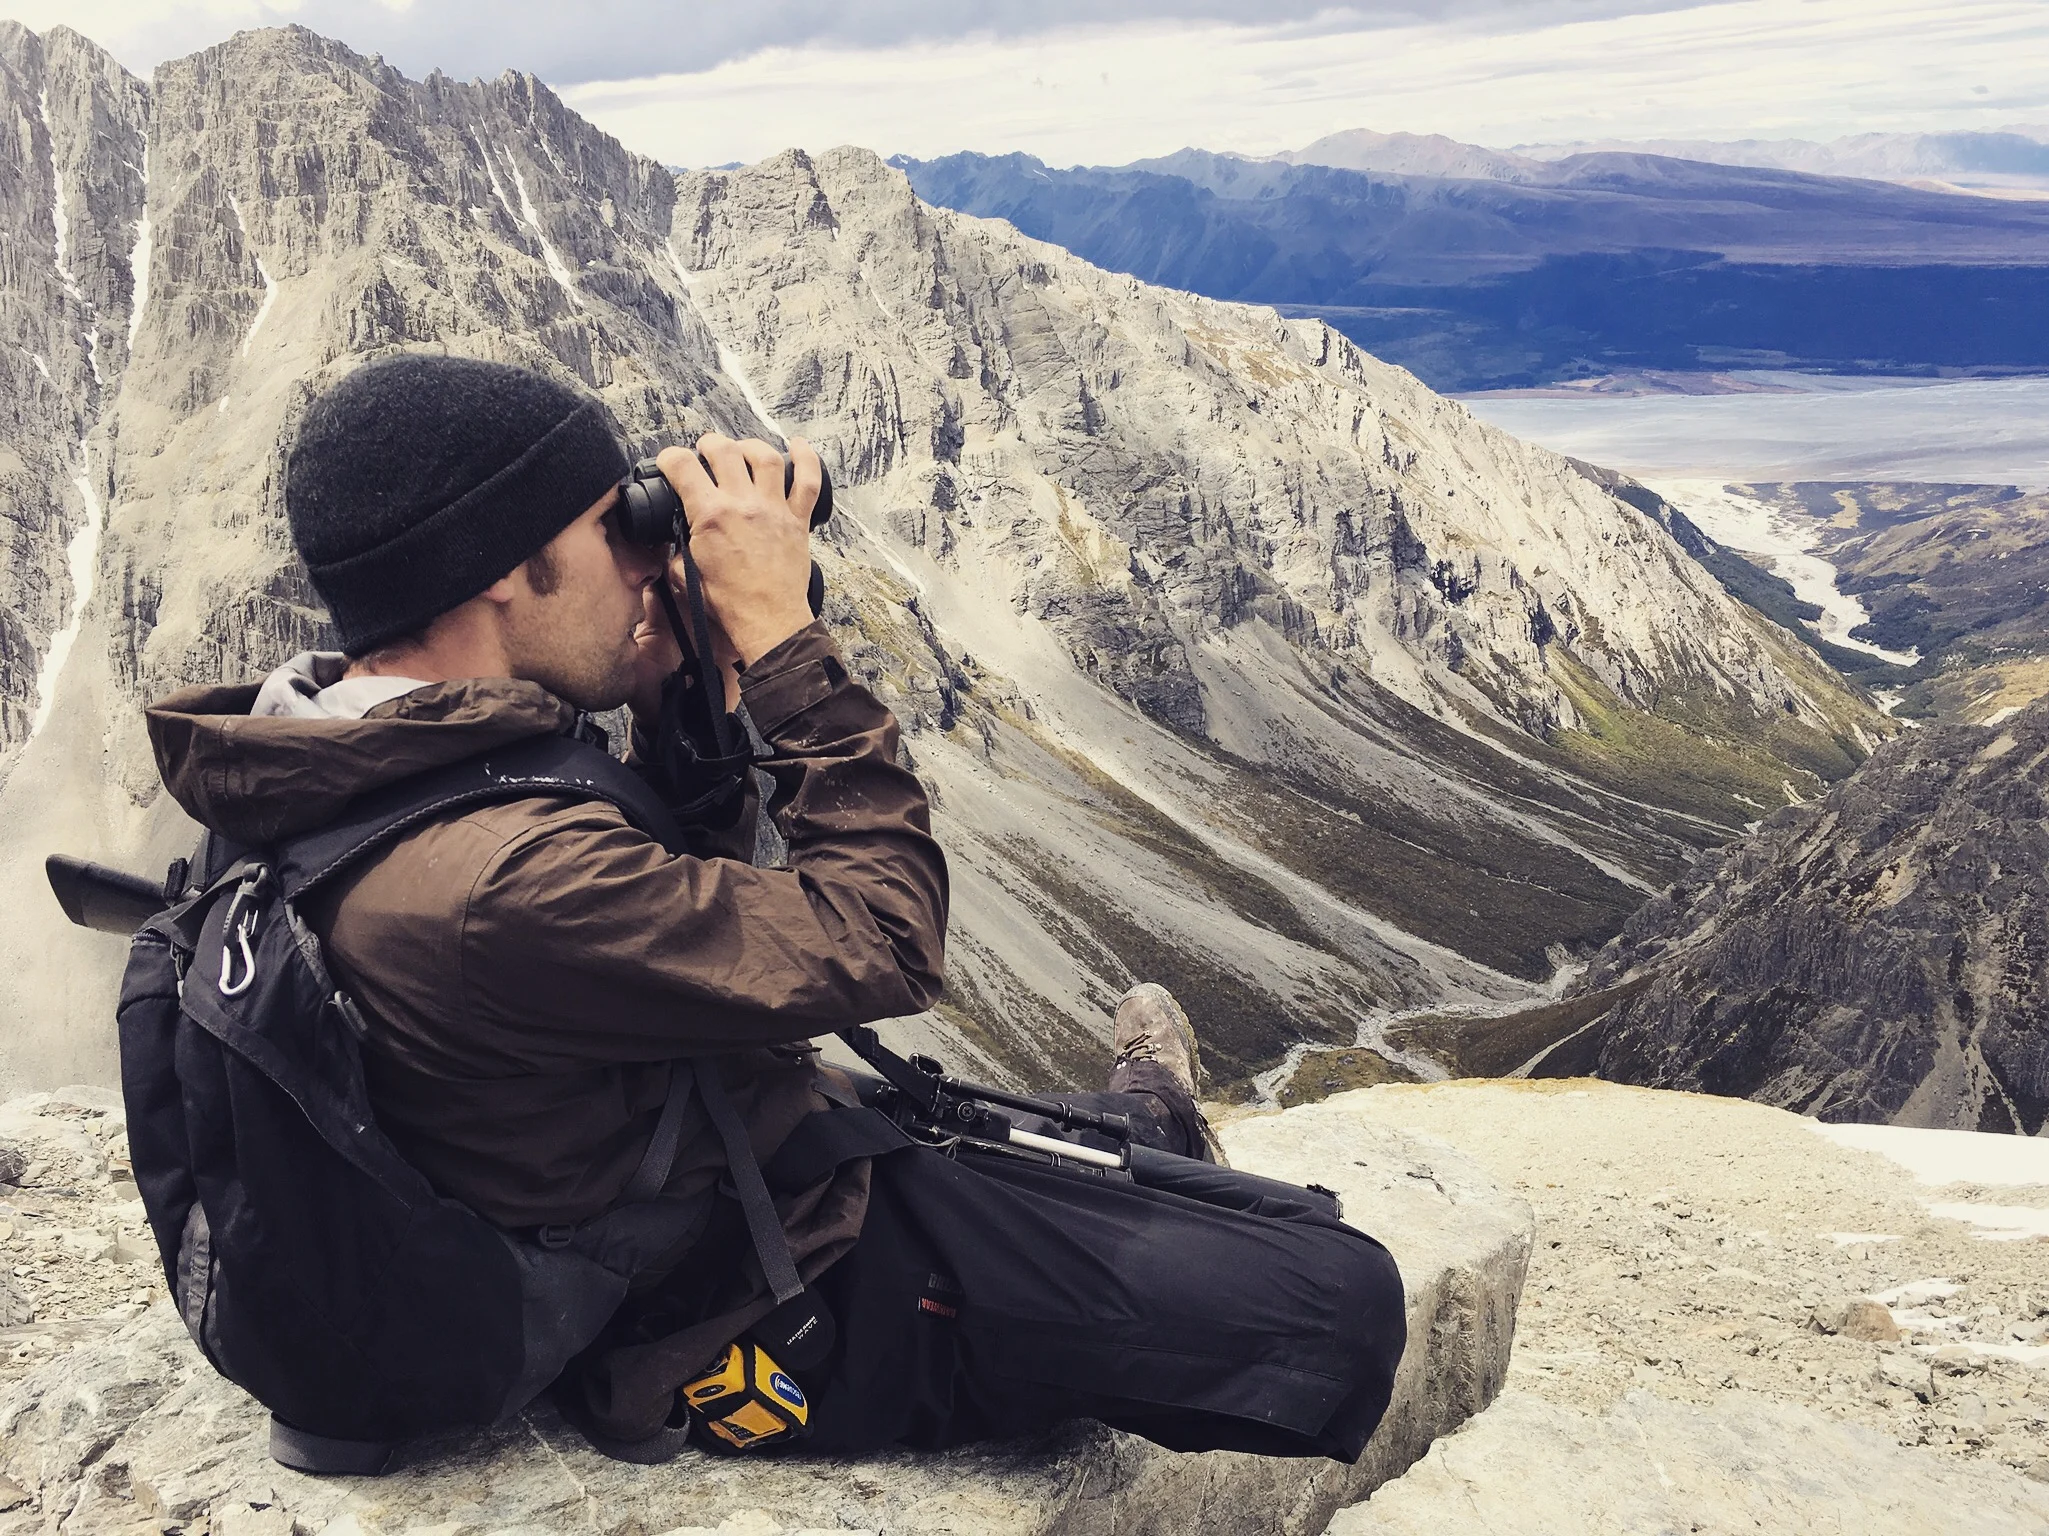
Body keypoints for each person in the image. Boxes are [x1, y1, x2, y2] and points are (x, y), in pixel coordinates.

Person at [145, 352, 1406, 1463]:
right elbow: (884, 939)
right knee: (1338, 1298)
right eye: (615, 529)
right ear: (507, 572)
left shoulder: (329, 749)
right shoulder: (500, 886)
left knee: (1030, 1137)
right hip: (741, 1301)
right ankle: (1149, 1135)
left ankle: (1148, 1117)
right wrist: (781, 637)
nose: (649, 559)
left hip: (680, 1156)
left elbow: (661, 934)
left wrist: (680, 707)